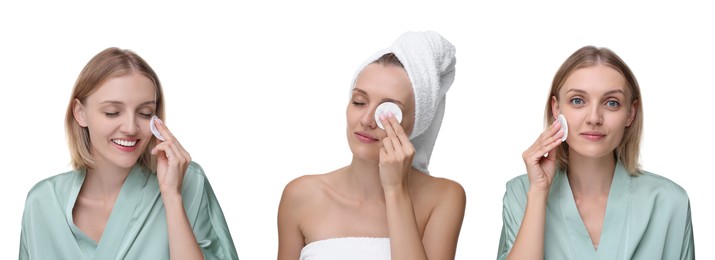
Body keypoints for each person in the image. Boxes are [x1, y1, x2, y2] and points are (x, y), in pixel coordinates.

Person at [19, 47, 239, 259]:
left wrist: (172, 198)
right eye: (112, 112)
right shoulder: (42, 203)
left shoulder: (188, 181)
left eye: (145, 113)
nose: (131, 128)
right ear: (80, 113)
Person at [277, 31, 466, 260]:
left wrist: (396, 191)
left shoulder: (444, 198)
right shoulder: (301, 195)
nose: (366, 120)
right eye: (359, 102)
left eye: (387, 111)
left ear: (416, 123)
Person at [497, 46, 695, 259]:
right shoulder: (521, 194)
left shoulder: (670, 202)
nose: (594, 118)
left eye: (611, 103)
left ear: (631, 113)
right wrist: (538, 193)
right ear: (556, 109)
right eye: (578, 100)